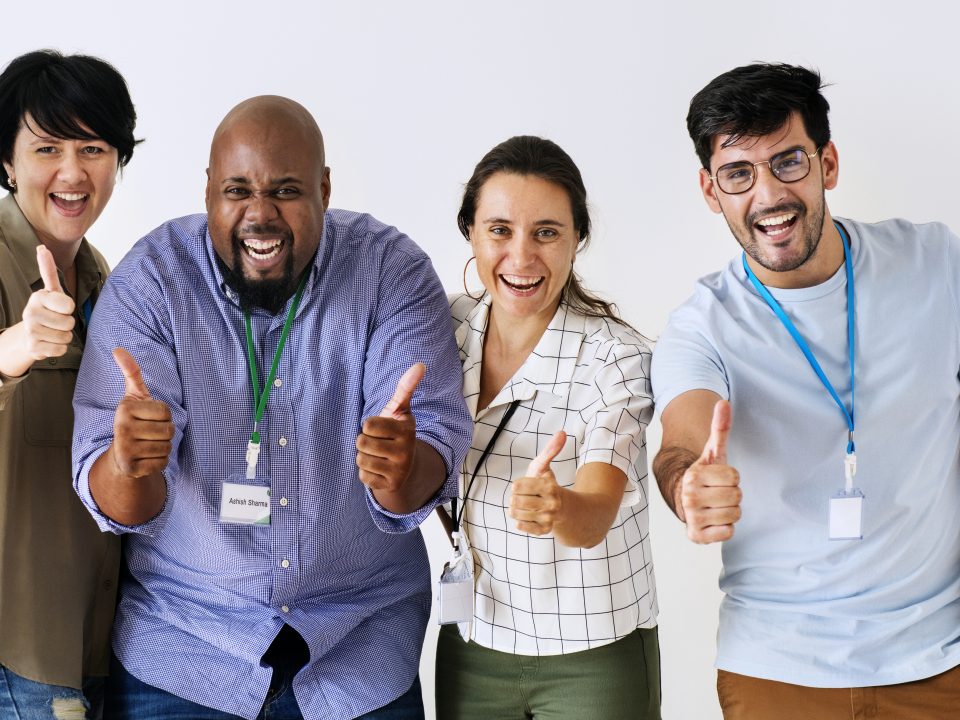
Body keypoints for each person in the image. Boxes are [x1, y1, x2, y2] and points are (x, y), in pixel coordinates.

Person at [71, 95, 472, 720]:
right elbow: (122, 506)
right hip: (183, 650)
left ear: (325, 189)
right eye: (237, 190)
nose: (260, 215)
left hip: (359, 651)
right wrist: (130, 465)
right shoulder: (151, 280)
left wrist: (402, 468)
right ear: (208, 189)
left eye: (286, 190)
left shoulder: (390, 272)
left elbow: (424, 472)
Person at [652, 62, 960, 719]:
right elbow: (682, 439)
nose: (768, 195)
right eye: (739, 173)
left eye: (788, 162)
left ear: (828, 163)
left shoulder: (937, 265)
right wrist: (688, 486)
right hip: (776, 669)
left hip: (939, 660)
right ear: (711, 191)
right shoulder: (700, 326)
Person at [435, 136, 661, 719]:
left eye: (546, 232)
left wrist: (559, 507)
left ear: (577, 239)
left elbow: (595, 511)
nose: (521, 257)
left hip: (593, 653)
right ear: (471, 232)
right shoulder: (447, 326)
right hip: (473, 640)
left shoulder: (617, 356)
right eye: (500, 229)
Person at [0, 49, 139, 719]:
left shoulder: (105, 281)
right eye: (46, 147)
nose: (72, 171)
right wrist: (14, 349)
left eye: (93, 146)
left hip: (98, 646)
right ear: (6, 162)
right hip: (18, 658)